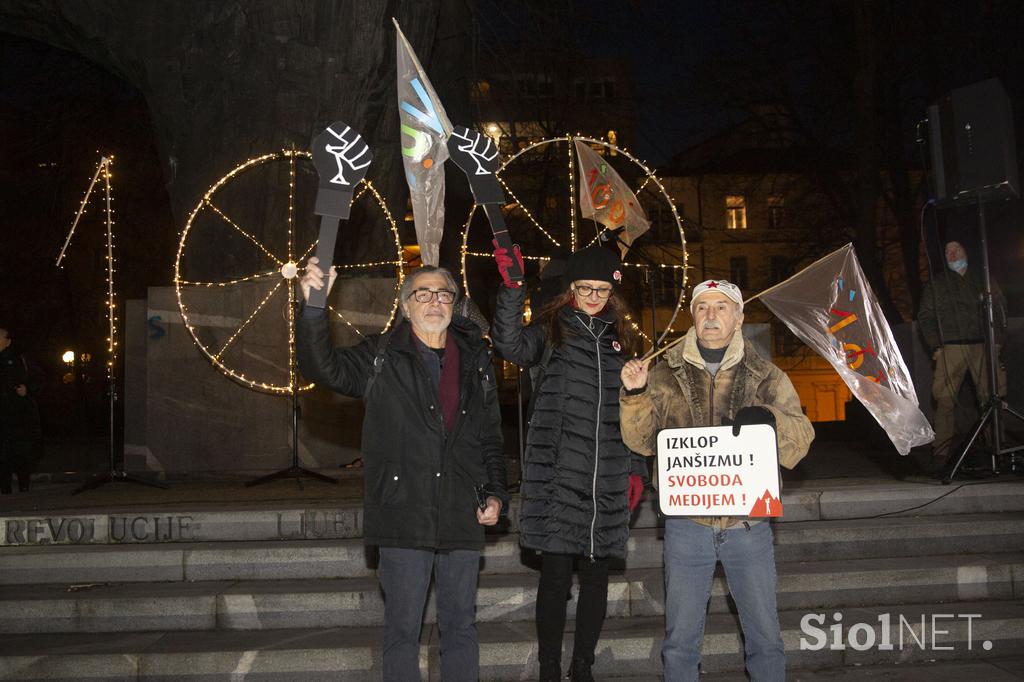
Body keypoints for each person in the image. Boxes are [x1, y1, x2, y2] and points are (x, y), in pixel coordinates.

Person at [295, 259, 508, 682]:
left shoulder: (476, 359)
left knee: (462, 629)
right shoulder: (381, 355)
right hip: (401, 512)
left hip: (461, 510)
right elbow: (323, 368)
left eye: (443, 294)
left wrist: (497, 492)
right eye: (422, 294)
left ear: (455, 304)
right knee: (402, 633)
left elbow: (490, 437)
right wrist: (314, 308)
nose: (434, 302)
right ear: (406, 306)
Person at [619, 279, 813, 682]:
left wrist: (771, 423)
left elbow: (802, 438)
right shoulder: (663, 371)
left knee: (765, 638)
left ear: (739, 318)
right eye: (703, 307)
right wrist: (634, 394)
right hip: (687, 527)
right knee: (680, 641)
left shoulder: (765, 375)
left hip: (749, 524)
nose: (711, 315)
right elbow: (639, 442)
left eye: (721, 307)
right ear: (692, 316)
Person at [491, 243, 647, 682]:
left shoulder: (625, 340)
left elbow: (634, 410)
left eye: (601, 289)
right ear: (570, 289)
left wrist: (637, 469)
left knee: (596, 576)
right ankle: (549, 667)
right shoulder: (551, 330)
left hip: (607, 476)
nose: (593, 297)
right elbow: (508, 343)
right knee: (555, 578)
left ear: (613, 291)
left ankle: (582, 666)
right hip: (559, 476)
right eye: (584, 288)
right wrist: (512, 290)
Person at [917, 240, 1007, 470]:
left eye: (957, 248)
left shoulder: (983, 279)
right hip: (951, 347)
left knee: (991, 398)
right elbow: (925, 317)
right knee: (944, 400)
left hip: (983, 345)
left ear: (966, 251)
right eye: (947, 250)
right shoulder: (937, 284)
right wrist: (935, 346)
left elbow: (999, 309)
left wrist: (997, 341)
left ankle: (998, 448)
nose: (952, 252)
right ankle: (941, 453)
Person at [0, 327, 42, 494]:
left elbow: (39, 379)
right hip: (2, 415)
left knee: (21, 451)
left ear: (7, 340)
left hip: (20, 416)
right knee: (3, 453)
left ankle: (24, 486)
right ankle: (5, 488)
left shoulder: (22, 358)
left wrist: (28, 389)